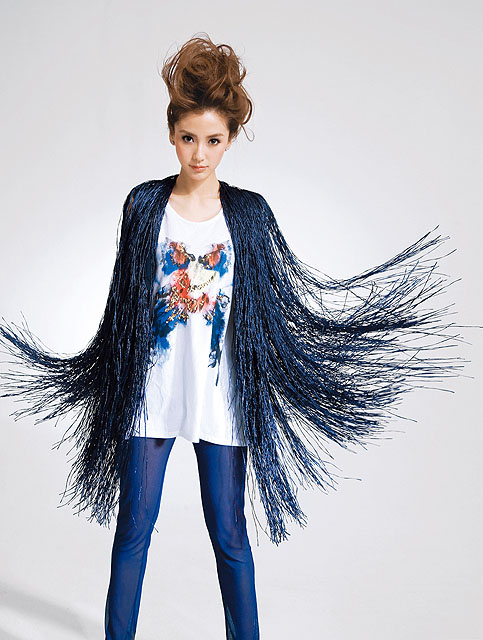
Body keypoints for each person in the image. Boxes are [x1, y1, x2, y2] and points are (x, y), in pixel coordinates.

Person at [0, 33, 467, 639]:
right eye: (188, 138)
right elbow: (121, 312)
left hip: (221, 397)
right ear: (172, 135)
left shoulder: (249, 214)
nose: (199, 154)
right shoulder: (144, 207)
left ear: (231, 138)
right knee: (133, 532)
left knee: (230, 536)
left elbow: (271, 316)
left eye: (213, 140)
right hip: (150, 393)